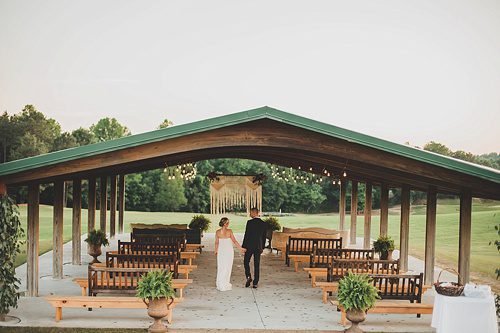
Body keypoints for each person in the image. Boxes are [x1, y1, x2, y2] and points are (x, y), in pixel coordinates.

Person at [215, 217, 245, 291]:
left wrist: (216, 250)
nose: (228, 224)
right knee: (225, 266)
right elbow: (234, 241)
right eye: (227, 223)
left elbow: (217, 242)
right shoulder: (228, 231)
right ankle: (223, 283)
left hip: (225, 251)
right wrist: (240, 248)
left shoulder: (218, 232)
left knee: (224, 266)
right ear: (224, 224)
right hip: (226, 251)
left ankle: (222, 282)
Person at [242, 207, 267, 288]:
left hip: (249, 246)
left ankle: (248, 277)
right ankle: (255, 283)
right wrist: (262, 247)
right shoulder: (263, 223)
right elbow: (264, 237)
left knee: (246, 261)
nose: (249, 214)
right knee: (257, 264)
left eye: (250, 213)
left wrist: (244, 246)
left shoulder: (249, 222)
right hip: (258, 246)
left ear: (254, 213)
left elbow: (247, 235)